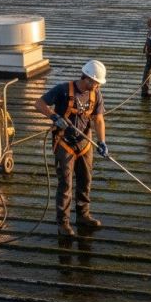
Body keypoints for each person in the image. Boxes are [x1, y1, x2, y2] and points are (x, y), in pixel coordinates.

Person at [35, 60, 109, 237]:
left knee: (85, 180)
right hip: (64, 143)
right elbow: (39, 104)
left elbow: (98, 119)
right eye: (96, 82)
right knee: (66, 184)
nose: (98, 85)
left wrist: (102, 141)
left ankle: (83, 215)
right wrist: (54, 117)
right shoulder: (62, 90)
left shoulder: (95, 95)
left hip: (84, 144)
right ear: (88, 79)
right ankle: (63, 223)